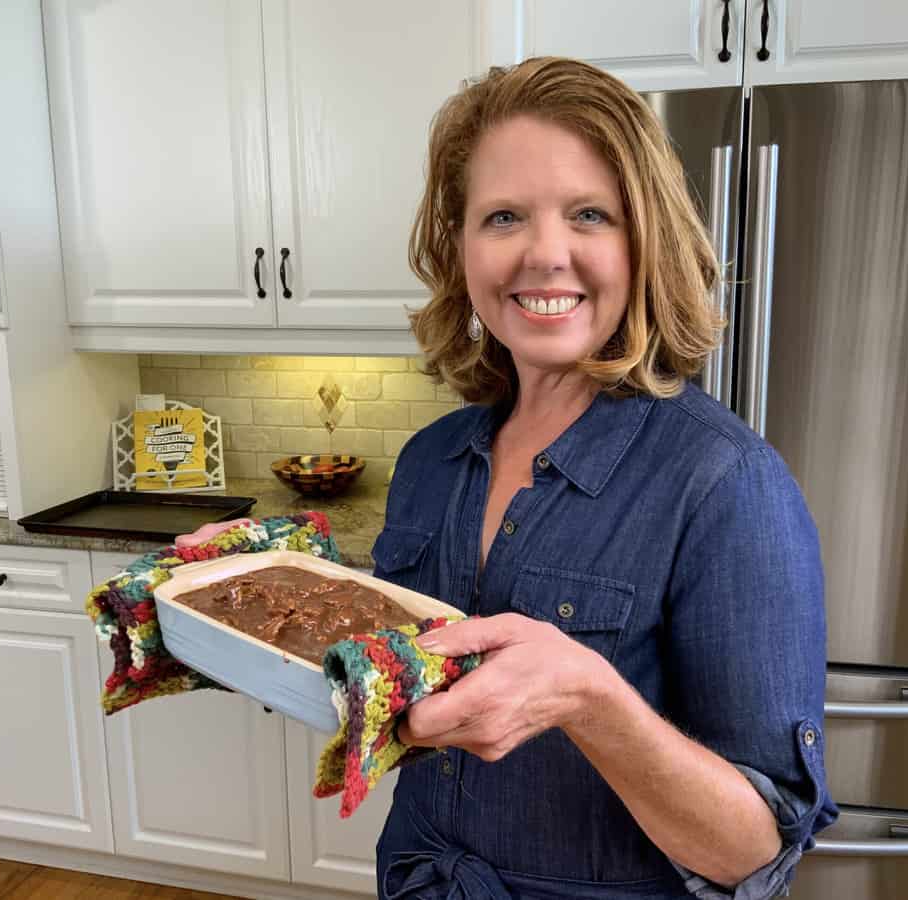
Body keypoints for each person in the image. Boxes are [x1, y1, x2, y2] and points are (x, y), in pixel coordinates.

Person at [182, 56, 834, 899]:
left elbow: (754, 851)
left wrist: (591, 701)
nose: (544, 254)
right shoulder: (431, 462)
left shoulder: (726, 485)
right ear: (459, 249)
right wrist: (249, 599)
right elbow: (387, 700)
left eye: (590, 214)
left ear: (647, 243)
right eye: (503, 217)